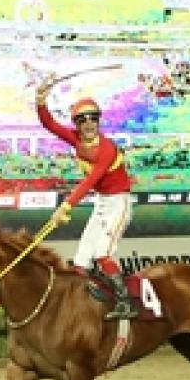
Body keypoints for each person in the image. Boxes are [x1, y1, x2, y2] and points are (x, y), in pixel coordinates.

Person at [35, 77, 137, 320]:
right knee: (81, 260)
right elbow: (49, 124)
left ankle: (126, 302)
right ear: (77, 125)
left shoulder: (107, 149)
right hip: (102, 203)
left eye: (93, 118)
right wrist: (40, 100)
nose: (89, 123)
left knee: (103, 253)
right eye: (82, 119)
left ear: (99, 121)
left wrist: (66, 206)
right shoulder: (76, 140)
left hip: (118, 202)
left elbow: (90, 180)